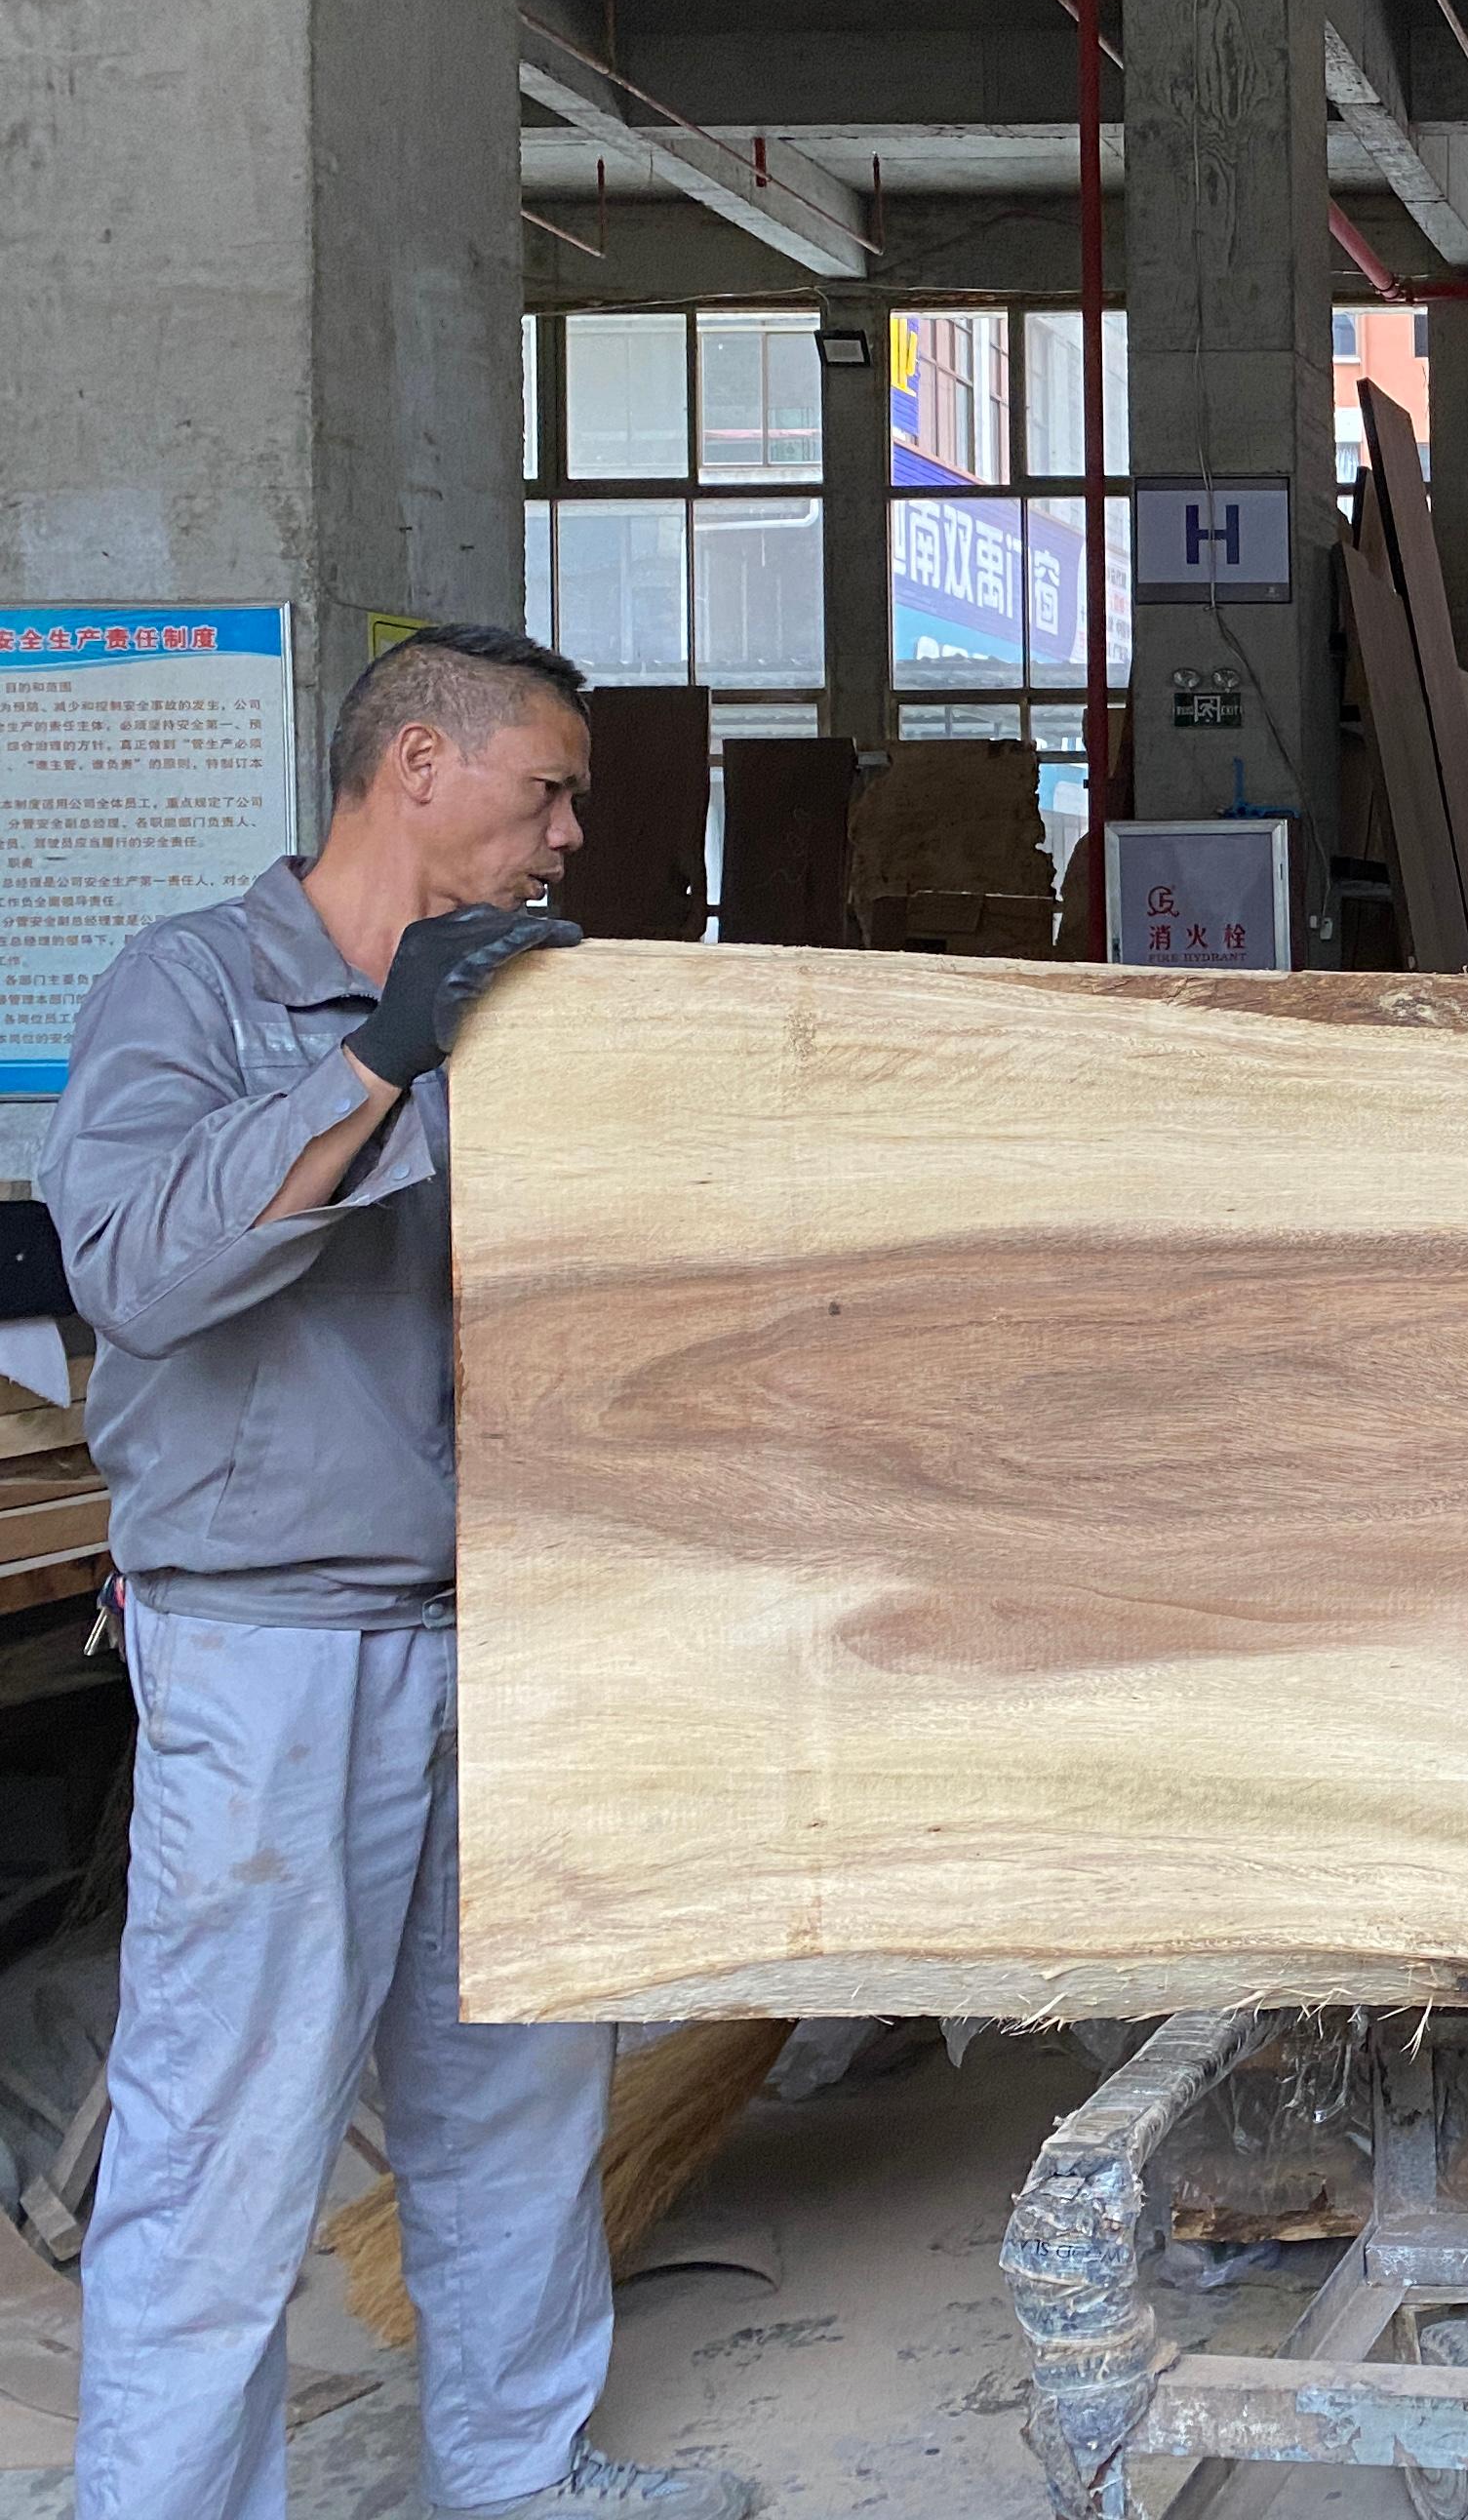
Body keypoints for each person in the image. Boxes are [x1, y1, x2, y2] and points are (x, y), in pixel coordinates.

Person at [41, 628, 751, 2520]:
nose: (571, 833)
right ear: (419, 766)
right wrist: (378, 1057)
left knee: (516, 2095)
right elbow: (139, 1270)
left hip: (507, 1631)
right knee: (230, 2130)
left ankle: (516, 2469)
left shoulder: (515, 1009)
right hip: (276, 1644)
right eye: (550, 790)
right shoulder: (194, 988)